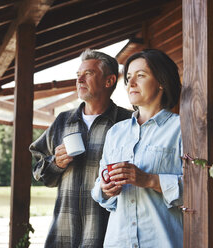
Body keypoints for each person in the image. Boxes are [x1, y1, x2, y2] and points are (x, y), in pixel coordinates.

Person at [29, 49, 132, 248]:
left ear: (109, 81)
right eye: (78, 75)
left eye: (88, 74)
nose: (79, 80)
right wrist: (55, 163)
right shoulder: (63, 121)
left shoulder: (127, 122)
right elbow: (38, 169)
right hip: (63, 235)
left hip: (108, 236)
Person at [91, 49, 183, 248]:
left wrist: (150, 180)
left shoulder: (182, 129)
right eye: (129, 77)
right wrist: (105, 189)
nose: (130, 84)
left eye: (140, 76)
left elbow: (200, 191)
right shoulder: (116, 133)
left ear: (161, 82)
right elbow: (99, 189)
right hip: (118, 242)